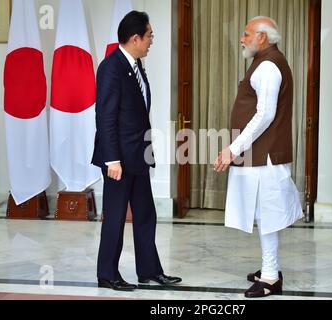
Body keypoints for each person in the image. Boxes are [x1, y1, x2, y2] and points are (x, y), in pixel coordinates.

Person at [92, 11, 182, 291]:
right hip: (118, 160)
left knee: (146, 215)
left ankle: (149, 271)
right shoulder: (111, 67)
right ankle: (107, 274)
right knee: (116, 218)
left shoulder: (136, 65)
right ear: (135, 38)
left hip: (139, 157)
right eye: (149, 35)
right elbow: (105, 117)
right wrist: (112, 159)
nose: (151, 40)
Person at [214, 16, 303, 298]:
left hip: (263, 155)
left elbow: (265, 114)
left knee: (268, 215)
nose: (242, 39)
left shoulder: (267, 66)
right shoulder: (268, 62)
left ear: (262, 38)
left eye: (247, 34)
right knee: (265, 215)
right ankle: (269, 269)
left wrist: (232, 148)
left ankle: (270, 277)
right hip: (261, 154)